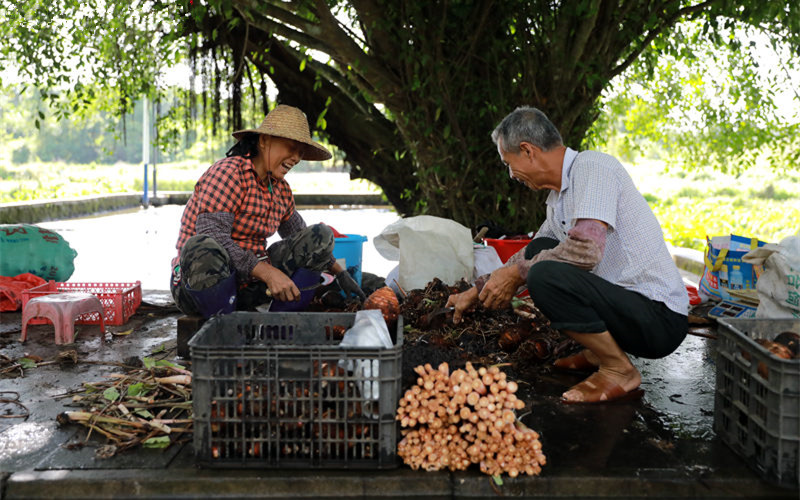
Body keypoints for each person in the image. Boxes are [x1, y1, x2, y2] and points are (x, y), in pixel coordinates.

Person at [446, 106, 688, 404]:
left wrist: (516, 275)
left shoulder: (593, 167)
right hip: (627, 311)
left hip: (658, 319)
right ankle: (599, 352)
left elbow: (585, 251)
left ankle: (618, 368)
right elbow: (530, 252)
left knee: (544, 276)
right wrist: (477, 290)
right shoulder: (559, 199)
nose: (511, 174)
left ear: (528, 150)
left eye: (509, 163)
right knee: (538, 252)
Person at [170, 104, 366, 317]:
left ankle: (281, 328)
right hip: (200, 286)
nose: (297, 158)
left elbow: (306, 240)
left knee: (321, 234)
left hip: (249, 286)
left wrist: (340, 273)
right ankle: (223, 329)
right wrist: (268, 272)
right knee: (203, 243)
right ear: (264, 141)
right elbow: (212, 234)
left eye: (301, 152)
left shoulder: (280, 189)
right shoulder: (229, 173)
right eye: (292, 147)